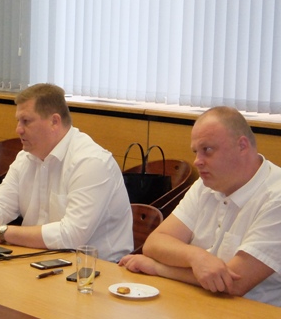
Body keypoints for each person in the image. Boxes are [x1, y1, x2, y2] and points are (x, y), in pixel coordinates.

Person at [0, 83, 133, 261]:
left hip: (96, 270)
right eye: (18, 121)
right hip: (42, 258)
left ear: (54, 122)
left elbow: (71, 236)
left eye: (26, 121)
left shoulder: (90, 162)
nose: (18, 129)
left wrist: (4, 233)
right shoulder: (26, 157)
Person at [119, 106, 281, 306]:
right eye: (196, 152)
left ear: (242, 146)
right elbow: (155, 243)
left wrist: (159, 268)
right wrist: (196, 257)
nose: (197, 161)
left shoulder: (276, 197)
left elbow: (234, 283)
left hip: (255, 316)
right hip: (198, 304)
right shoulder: (206, 184)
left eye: (207, 150)